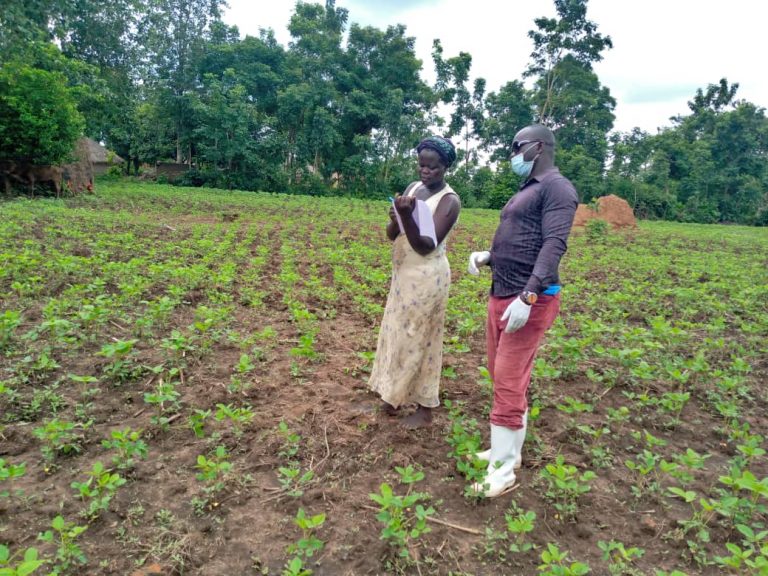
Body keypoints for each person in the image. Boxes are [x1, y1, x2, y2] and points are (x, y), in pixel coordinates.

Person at [467, 124, 578, 496]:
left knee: (509, 378)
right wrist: (490, 256)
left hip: (528, 298)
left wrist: (529, 296)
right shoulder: (528, 187)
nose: (513, 152)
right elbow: (523, 237)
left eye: (519, 146)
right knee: (503, 376)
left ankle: (502, 473)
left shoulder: (557, 187)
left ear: (540, 147)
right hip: (503, 290)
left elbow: (553, 244)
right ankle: (508, 453)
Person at [368, 136, 461, 428]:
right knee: (397, 334)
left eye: (433, 167)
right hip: (403, 278)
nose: (425, 171)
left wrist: (406, 215)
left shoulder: (449, 201)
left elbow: (425, 245)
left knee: (421, 338)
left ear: (445, 167)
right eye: (422, 165)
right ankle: (391, 397)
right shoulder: (413, 188)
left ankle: (424, 407)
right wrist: (396, 217)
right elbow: (391, 234)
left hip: (427, 279)